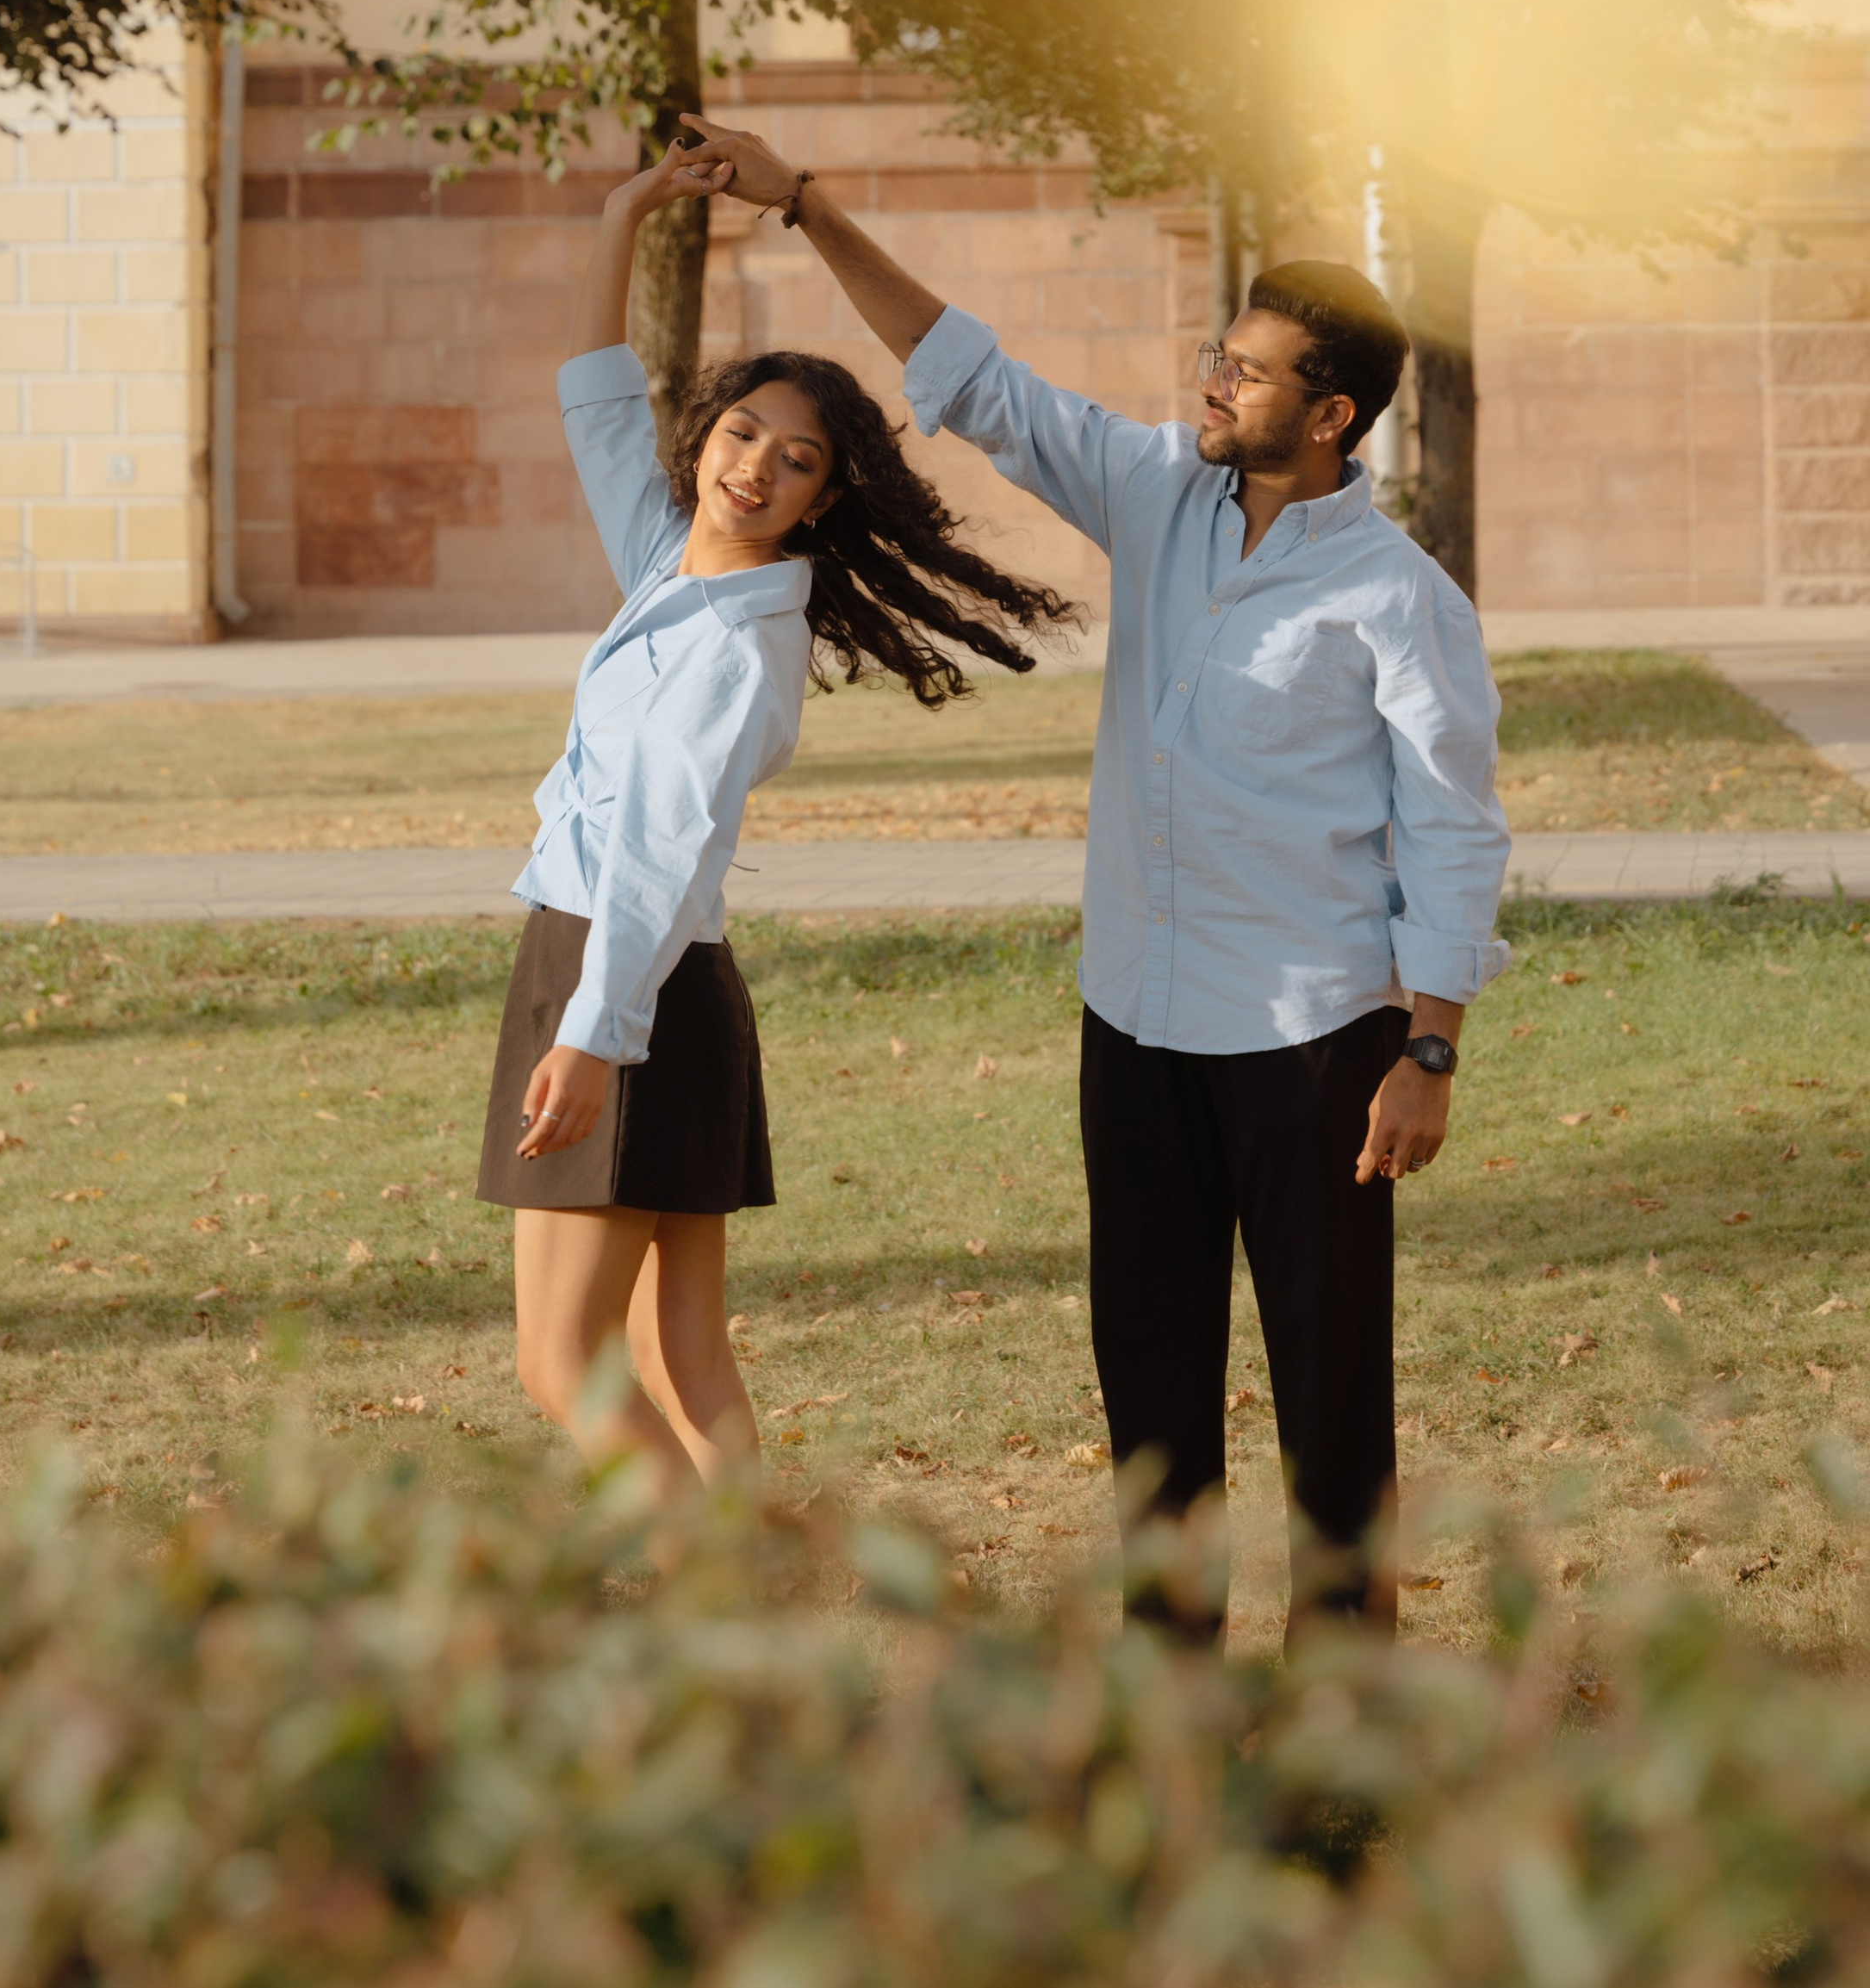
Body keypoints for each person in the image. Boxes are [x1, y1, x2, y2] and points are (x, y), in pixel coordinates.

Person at [681, 116, 1510, 1631]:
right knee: (1151, 1392)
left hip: (1317, 1038)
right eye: (1220, 348)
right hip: (1134, 1022)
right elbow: (973, 377)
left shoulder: (1398, 596)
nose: (1213, 377)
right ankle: (1171, 1697)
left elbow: (1455, 820)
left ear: (1328, 416)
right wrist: (800, 203)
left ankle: (1345, 1719)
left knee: (1333, 1405)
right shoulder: (1154, 490)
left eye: (1246, 369)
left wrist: (1431, 1046)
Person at [477, 135, 1076, 1495]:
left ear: (824, 495)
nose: (755, 466)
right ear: (709, 434)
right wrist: (626, 209)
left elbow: (654, 850)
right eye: (744, 432)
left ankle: (718, 1626)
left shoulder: (738, 643)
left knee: (564, 1366)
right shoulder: (670, 565)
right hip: (661, 987)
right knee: (680, 1348)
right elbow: (593, 400)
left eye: (795, 459)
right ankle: (780, 1608)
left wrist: (586, 1035)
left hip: (619, 980)